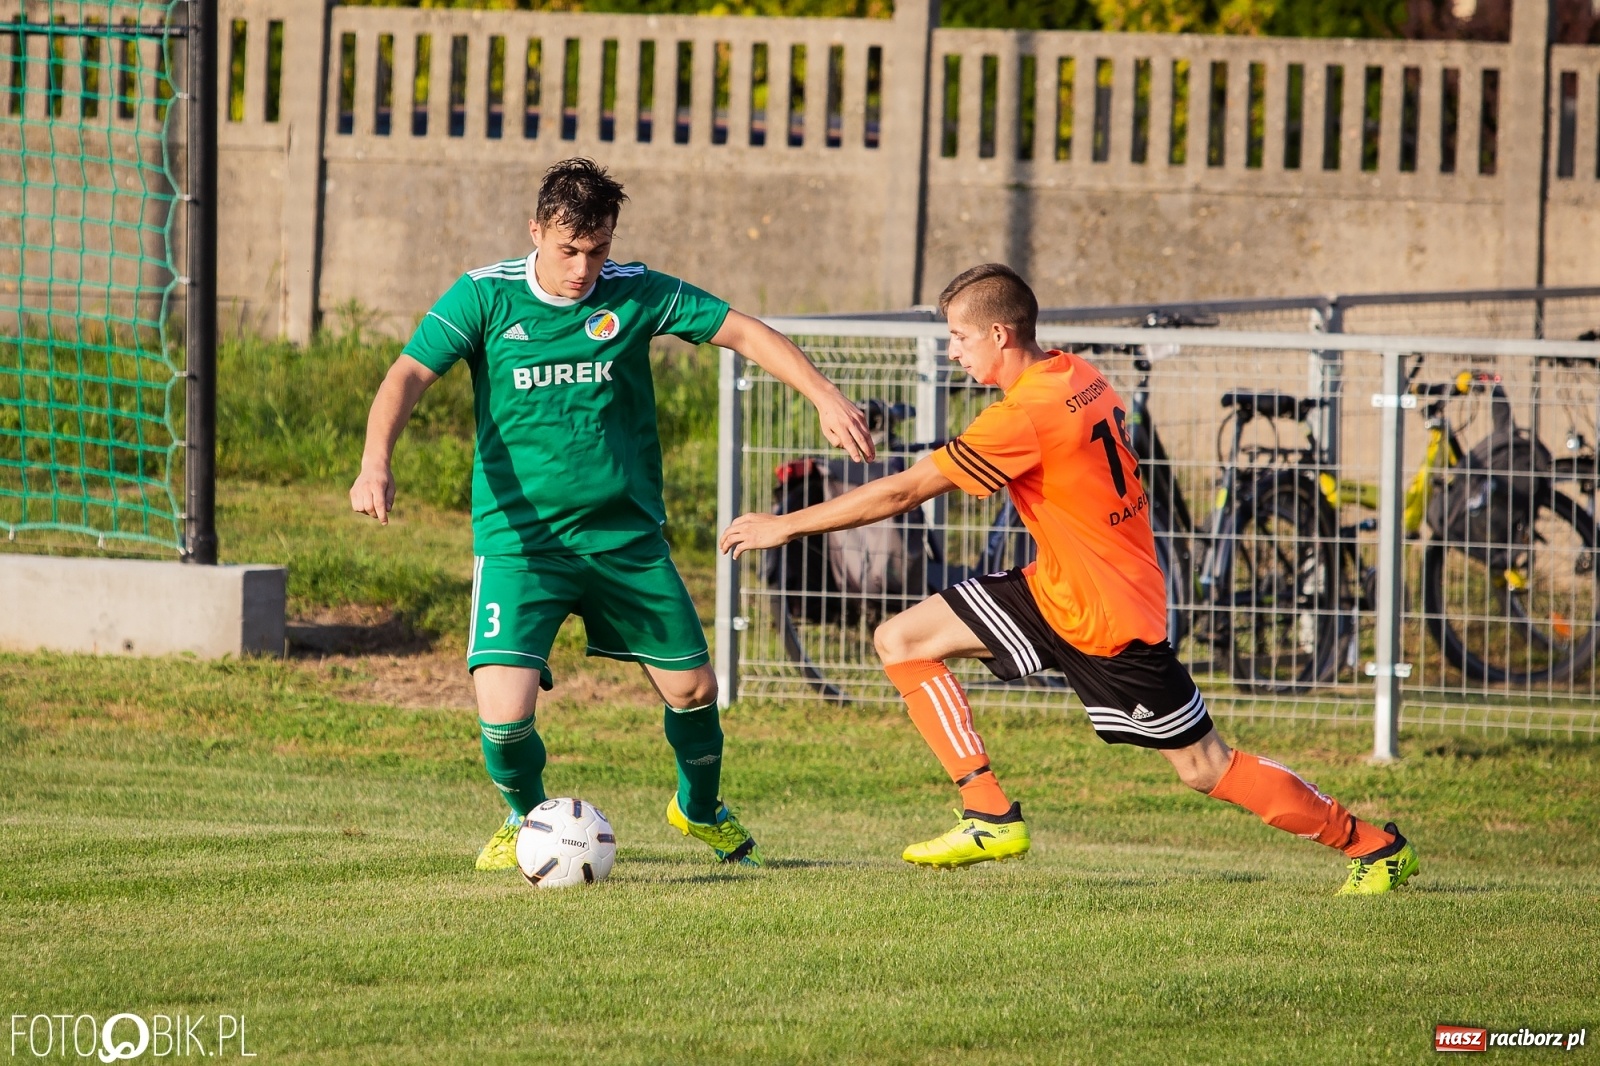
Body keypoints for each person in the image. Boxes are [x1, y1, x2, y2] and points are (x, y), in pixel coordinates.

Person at [720, 263, 1420, 895]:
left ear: (999, 333)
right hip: (1057, 589)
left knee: (1206, 767)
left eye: (960, 339)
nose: (954, 351)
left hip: (1110, 620)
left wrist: (785, 525)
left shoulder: (1025, 414)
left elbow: (905, 491)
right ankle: (990, 813)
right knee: (902, 638)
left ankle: (1375, 846)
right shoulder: (1074, 373)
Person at [351, 158, 874, 871]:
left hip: (625, 540)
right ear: (536, 231)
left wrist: (821, 394)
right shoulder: (483, 297)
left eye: (598, 250)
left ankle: (699, 809)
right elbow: (408, 373)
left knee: (695, 690)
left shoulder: (635, 293)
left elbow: (743, 331)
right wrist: (375, 461)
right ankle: (524, 818)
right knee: (504, 720)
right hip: (520, 544)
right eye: (568, 249)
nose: (583, 267)